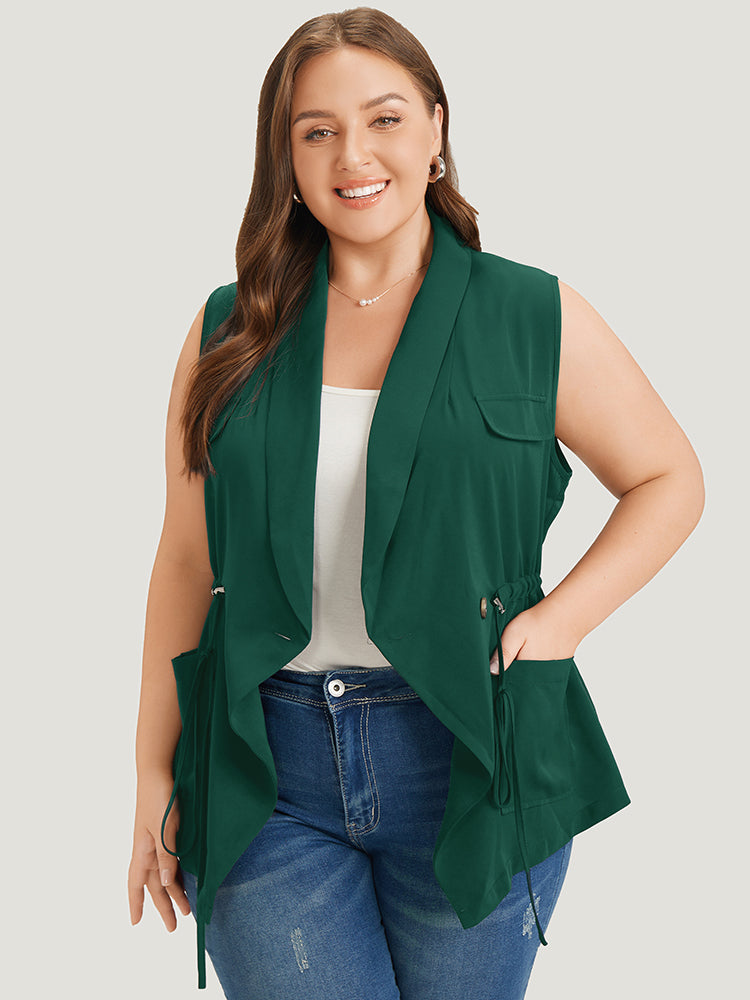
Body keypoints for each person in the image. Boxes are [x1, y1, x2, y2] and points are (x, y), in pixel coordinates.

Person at [127, 7, 704, 999]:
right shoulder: (230, 329)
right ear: (287, 159)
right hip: (264, 764)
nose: (354, 154)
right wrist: (150, 771)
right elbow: (186, 559)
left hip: (471, 753)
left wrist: (561, 622)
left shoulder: (533, 315)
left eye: (385, 118)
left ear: (437, 129)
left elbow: (670, 480)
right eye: (317, 130)